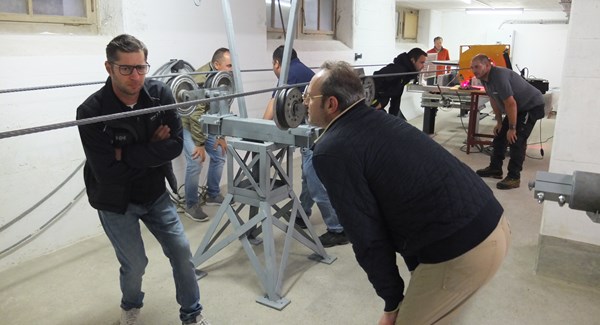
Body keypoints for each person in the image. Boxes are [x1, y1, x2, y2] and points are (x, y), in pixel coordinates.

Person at [306, 60, 510, 325]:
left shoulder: (332, 150)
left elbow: (366, 235)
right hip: (491, 221)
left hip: (465, 247)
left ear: (331, 104)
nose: (304, 102)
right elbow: (401, 204)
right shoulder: (378, 119)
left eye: (309, 97)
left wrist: (392, 302)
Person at [76, 34, 209, 325]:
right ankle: (131, 305)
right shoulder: (91, 112)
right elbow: (108, 172)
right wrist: (152, 148)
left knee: (182, 253)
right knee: (135, 264)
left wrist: (126, 153)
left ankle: (192, 314)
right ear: (109, 67)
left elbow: (174, 146)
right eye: (126, 69)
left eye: (141, 67)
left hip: (154, 192)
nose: (135, 76)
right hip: (115, 201)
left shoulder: (160, 95)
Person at [263, 46, 348, 247]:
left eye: (274, 66)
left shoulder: (288, 72)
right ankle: (303, 212)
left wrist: (259, 130)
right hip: (317, 129)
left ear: (277, 63)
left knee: (313, 177)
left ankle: (337, 229)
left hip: (315, 133)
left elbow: (274, 104)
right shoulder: (302, 69)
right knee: (307, 173)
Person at [471, 54, 546, 190]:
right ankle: (495, 169)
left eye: (477, 66)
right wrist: (499, 123)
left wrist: (512, 128)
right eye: (472, 68)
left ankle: (514, 177)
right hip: (517, 106)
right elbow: (494, 100)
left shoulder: (499, 76)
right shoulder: (484, 78)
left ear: (487, 65)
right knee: (500, 136)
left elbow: (510, 103)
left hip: (530, 105)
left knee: (516, 140)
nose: (474, 70)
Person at [180, 48, 231, 221]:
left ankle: (213, 194)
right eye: (229, 65)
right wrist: (200, 145)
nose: (231, 69)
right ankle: (191, 204)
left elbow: (224, 106)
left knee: (219, 153)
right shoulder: (200, 80)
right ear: (217, 64)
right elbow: (194, 114)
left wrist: (221, 136)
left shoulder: (224, 78)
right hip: (186, 122)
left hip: (204, 121)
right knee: (195, 160)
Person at [372, 47, 427, 120]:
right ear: (413, 60)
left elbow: (397, 93)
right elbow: (376, 77)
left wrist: (393, 116)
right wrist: (377, 101)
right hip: (375, 101)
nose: (423, 66)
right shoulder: (398, 69)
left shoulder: (407, 73)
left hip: (382, 102)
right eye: (421, 62)